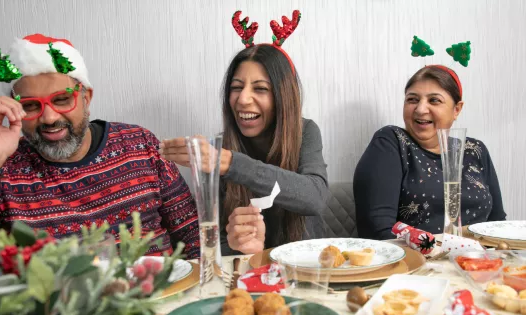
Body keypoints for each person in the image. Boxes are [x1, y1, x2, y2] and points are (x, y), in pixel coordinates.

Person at [0, 34, 200, 259]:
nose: (49, 118)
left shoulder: (140, 146)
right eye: (31, 106)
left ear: (86, 97)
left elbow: (193, 238)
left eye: (61, 100)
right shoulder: (3, 174)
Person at [160, 11, 329, 255]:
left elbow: (314, 196)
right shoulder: (219, 148)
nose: (243, 99)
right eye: (236, 88)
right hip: (248, 278)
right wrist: (242, 248)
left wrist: (229, 163)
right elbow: (212, 245)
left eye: (260, 88)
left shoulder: (306, 132)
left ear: (284, 97)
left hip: (306, 269)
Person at [354, 65, 506, 240]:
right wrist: (440, 247)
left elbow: (497, 224)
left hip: (480, 260)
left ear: (457, 109)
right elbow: (377, 230)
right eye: (412, 99)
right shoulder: (392, 142)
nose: (420, 109)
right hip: (418, 262)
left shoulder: (475, 150)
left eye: (434, 100)